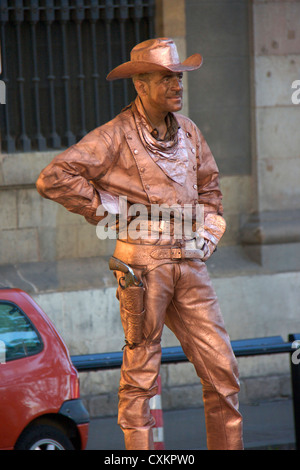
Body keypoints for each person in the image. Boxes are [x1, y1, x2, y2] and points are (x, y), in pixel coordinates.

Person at [36, 38, 243, 450]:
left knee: (224, 373)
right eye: (167, 78)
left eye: (179, 77)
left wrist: (208, 236)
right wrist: (109, 211)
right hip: (143, 268)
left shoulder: (188, 131)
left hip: (190, 263)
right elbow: (53, 178)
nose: (177, 85)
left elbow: (210, 189)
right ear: (141, 86)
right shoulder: (113, 136)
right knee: (140, 376)